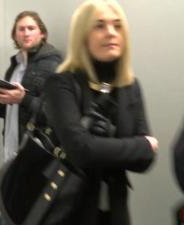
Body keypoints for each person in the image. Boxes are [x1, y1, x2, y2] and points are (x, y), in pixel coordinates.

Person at [42, 1, 158, 224]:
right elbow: (81, 150)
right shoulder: (61, 84)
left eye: (117, 26)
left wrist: (104, 146)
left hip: (115, 211)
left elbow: (145, 161)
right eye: (99, 26)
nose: (111, 33)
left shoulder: (129, 87)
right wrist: (139, 145)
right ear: (82, 35)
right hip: (67, 210)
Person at [0, 11, 62, 162]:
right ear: (15, 36)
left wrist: (24, 99)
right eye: (21, 29)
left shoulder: (54, 63)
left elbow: (58, 114)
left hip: (38, 152)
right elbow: (13, 110)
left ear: (42, 33)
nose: (26, 33)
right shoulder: (15, 66)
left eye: (31, 28)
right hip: (12, 147)